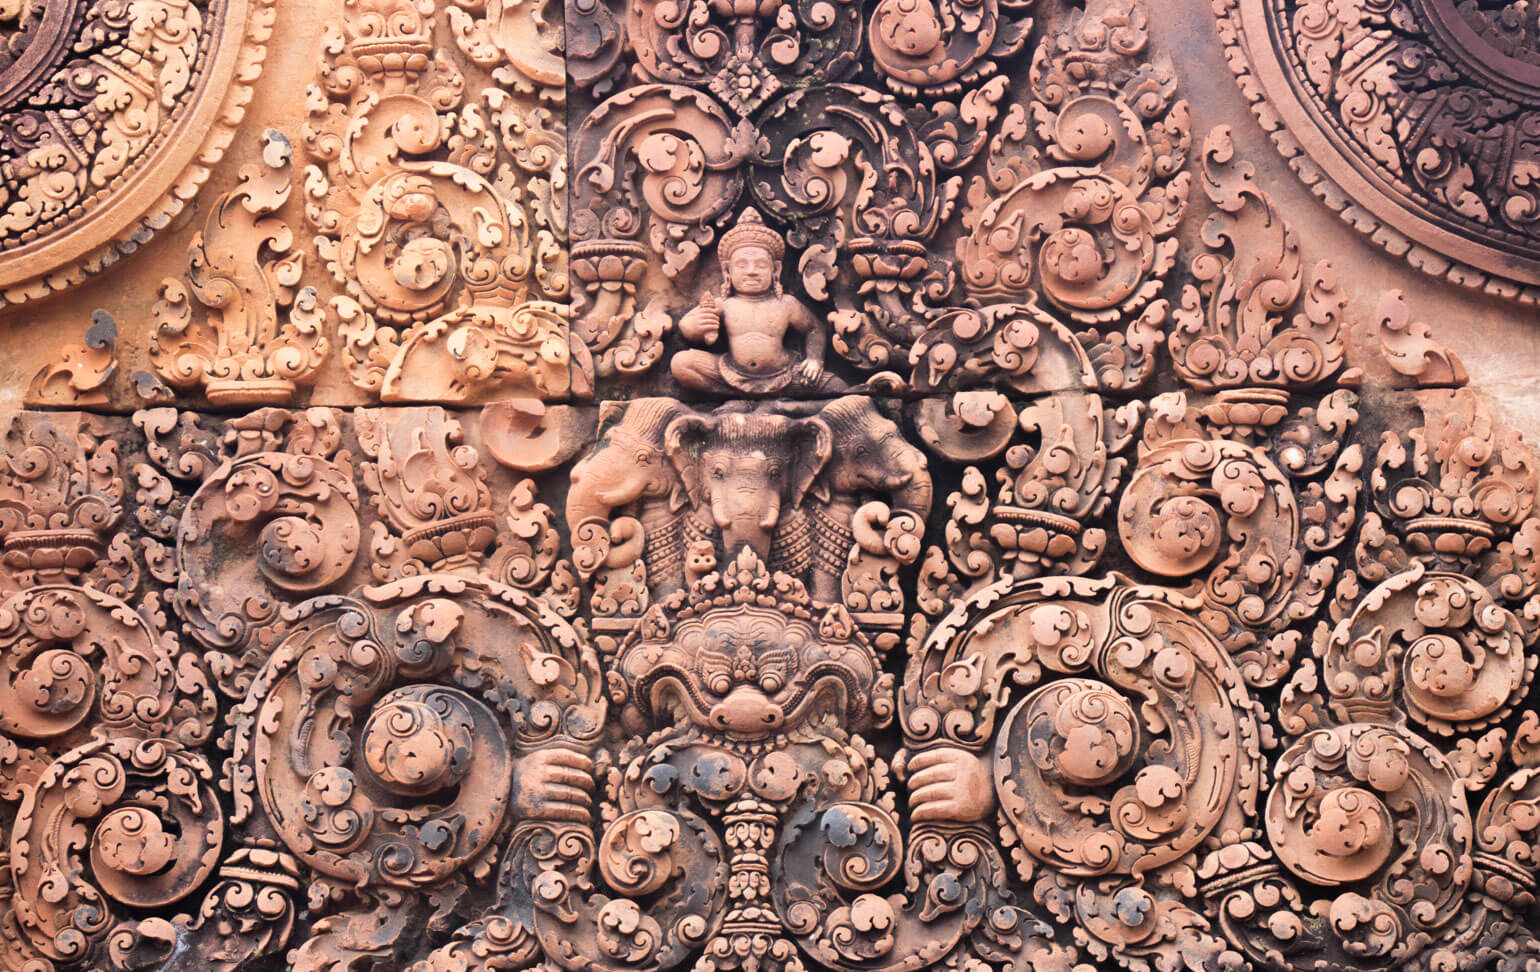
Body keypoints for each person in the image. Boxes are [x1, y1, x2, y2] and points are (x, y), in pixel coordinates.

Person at [672, 209, 845, 396]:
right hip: (731, 373)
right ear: (727, 271)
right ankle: (739, 397)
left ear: (775, 270)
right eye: (741, 265)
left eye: (761, 265)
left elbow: (814, 328)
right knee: (681, 363)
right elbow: (685, 326)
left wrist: (814, 360)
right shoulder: (724, 304)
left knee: (837, 386)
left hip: (784, 374)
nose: (751, 271)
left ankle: (747, 401)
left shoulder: (786, 304)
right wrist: (696, 325)